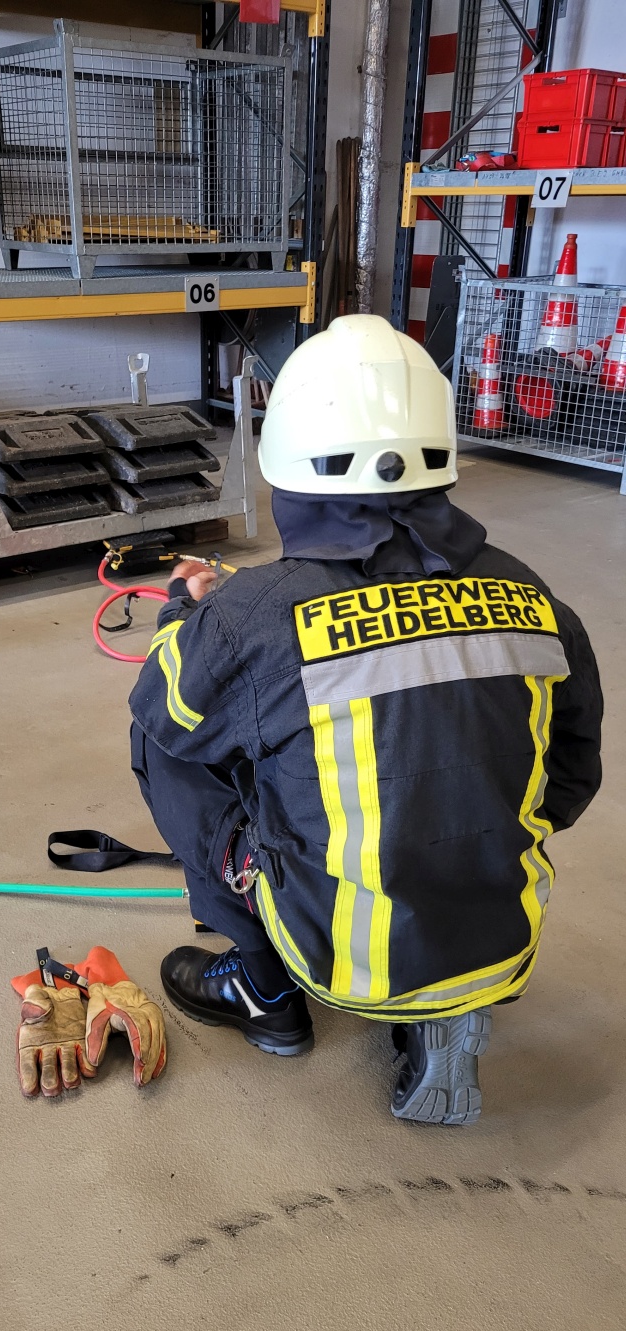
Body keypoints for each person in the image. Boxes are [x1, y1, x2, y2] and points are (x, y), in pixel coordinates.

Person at [129, 315, 603, 1126]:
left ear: (291, 465)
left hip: (339, 953)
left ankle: (265, 987)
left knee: (165, 736)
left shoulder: (255, 615)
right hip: (501, 927)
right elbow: (571, 777)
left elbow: (167, 710)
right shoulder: (533, 594)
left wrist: (187, 614)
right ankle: (444, 998)